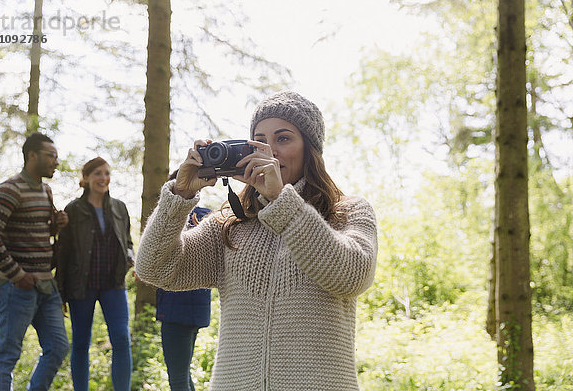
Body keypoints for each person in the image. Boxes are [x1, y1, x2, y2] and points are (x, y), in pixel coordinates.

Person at [136, 91, 378, 390]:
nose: (270, 150)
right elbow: (154, 269)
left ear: (310, 148)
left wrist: (281, 201)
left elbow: (352, 277)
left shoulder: (347, 211)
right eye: (260, 139)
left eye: (283, 138)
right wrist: (179, 196)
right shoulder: (230, 223)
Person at [0, 132, 70, 391]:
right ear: (32, 156)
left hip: (45, 285)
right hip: (15, 287)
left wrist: (57, 224)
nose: (56, 162)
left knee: (58, 347)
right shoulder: (9, 189)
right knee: (7, 356)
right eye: (51, 156)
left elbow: (37, 232)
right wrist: (17, 274)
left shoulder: (46, 190)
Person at [55, 157, 134, 391]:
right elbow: (64, 251)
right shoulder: (73, 209)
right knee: (80, 342)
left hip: (114, 284)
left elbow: (127, 240)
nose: (103, 178)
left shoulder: (119, 207)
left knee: (121, 340)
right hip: (81, 286)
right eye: (98, 173)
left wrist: (130, 256)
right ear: (86, 178)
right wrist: (61, 292)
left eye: (107, 173)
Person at [156, 204, 211, 391]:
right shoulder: (206, 217)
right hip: (196, 311)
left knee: (178, 380)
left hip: (175, 311)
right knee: (183, 375)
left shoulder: (172, 221)